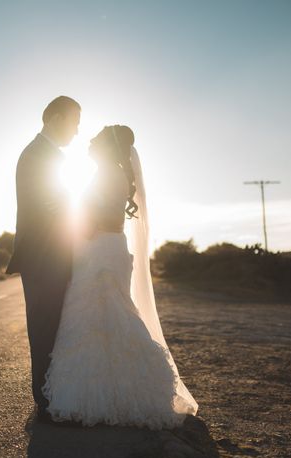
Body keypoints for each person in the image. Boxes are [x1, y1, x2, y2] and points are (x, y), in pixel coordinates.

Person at [41, 125, 198, 429]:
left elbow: (105, 217)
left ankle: (114, 396)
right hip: (101, 247)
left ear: (108, 146)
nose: (90, 139)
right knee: (97, 319)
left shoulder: (109, 174)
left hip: (101, 248)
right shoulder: (108, 172)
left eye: (97, 137)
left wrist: (67, 216)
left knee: (105, 316)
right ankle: (100, 393)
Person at [5, 96, 81, 419]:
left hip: (51, 253)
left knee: (53, 326)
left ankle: (51, 393)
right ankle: (46, 400)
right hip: (42, 255)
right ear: (54, 118)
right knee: (44, 325)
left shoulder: (49, 155)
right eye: (74, 123)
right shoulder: (38, 155)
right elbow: (52, 208)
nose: (76, 132)